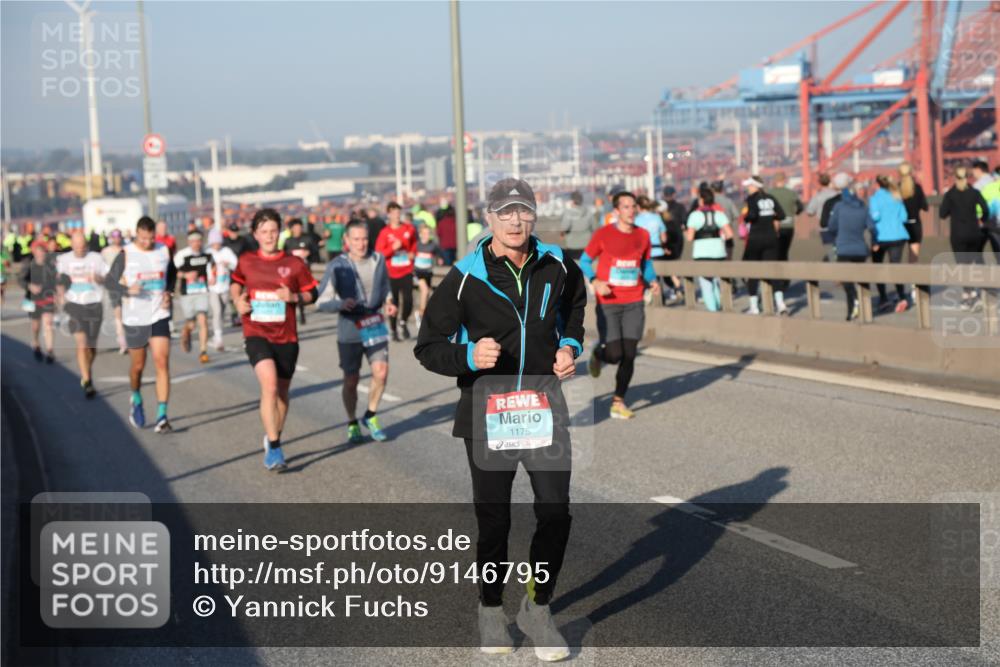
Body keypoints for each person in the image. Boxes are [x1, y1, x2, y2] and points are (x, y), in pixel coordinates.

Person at [413, 177, 586, 661]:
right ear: (488, 219)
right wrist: (468, 355)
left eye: (523, 211)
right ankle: (491, 610)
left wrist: (570, 345)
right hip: (487, 415)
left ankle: (538, 607)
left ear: (534, 216)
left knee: (555, 510)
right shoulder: (465, 277)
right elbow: (427, 347)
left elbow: (575, 307)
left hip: (542, 404)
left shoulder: (557, 264)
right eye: (505, 212)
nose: (515, 221)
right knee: (495, 521)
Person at [230, 208, 319, 471]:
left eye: (273, 231)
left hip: (286, 336)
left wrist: (293, 298)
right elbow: (236, 282)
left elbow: (312, 293)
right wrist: (237, 300)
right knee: (268, 386)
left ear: (279, 233)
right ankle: (276, 445)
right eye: (264, 232)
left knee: (281, 393)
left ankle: (272, 436)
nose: (269, 237)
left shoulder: (294, 264)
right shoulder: (246, 260)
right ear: (255, 234)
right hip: (256, 332)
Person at [582, 190, 660, 419]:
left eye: (633, 206)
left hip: (634, 300)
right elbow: (586, 261)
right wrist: (595, 280)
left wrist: (652, 280)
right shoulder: (603, 234)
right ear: (616, 211)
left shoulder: (643, 235)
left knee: (630, 354)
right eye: (626, 206)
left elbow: (646, 263)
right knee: (615, 354)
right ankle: (599, 353)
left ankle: (618, 401)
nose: (631, 210)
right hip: (609, 302)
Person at [316, 220, 396, 444]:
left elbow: (385, 286)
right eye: (356, 239)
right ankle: (352, 421)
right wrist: (340, 303)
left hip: (374, 322)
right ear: (346, 241)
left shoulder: (378, 259)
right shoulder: (337, 266)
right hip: (349, 327)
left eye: (364, 239)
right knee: (351, 379)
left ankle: (370, 415)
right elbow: (321, 301)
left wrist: (389, 301)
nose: (361, 244)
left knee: (381, 372)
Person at [105, 216, 177, 433]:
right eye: (143, 239)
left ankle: (162, 415)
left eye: (151, 238)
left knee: (161, 361)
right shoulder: (126, 253)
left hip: (159, 314)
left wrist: (169, 292)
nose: (148, 243)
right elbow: (110, 283)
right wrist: (128, 291)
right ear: (137, 234)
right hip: (135, 317)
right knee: (138, 366)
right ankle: (136, 397)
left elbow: (172, 274)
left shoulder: (163, 250)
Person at [56, 230, 107, 397]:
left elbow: (107, 278)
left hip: (94, 303)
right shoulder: (64, 260)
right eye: (77, 247)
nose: (80, 250)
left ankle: (87, 369)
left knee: (92, 347)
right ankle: (86, 380)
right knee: (82, 344)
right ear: (72, 245)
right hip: (74, 304)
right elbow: (59, 281)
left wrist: (97, 278)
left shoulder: (96, 258)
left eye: (83, 247)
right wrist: (61, 294)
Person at [939, 167, 991, 310]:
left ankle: (968, 294)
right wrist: (982, 219)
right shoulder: (975, 192)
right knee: (973, 262)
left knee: (962, 265)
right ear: (968, 177)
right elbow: (985, 209)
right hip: (974, 233)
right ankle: (977, 292)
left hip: (958, 234)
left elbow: (942, 214)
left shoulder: (950, 194)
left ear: (955, 177)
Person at [827, 176, 875, 321]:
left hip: (844, 249)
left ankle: (852, 307)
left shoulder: (839, 207)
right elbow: (871, 227)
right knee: (862, 279)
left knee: (847, 282)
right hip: (860, 249)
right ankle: (866, 310)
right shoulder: (863, 208)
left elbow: (831, 227)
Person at [741, 176, 786, 315]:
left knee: (752, 271)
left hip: (756, 239)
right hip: (772, 238)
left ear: (755, 186)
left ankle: (754, 307)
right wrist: (770, 217)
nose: (748, 188)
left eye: (749, 186)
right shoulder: (771, 198)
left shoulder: (752, 199)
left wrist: (747, 218)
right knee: (773, 270)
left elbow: (753, 215)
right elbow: (782, 215)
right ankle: (780, 304)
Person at [684, 185, 733, 312]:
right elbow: (729, 234)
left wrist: (686, 232)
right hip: (718, 252)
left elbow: (689, 237)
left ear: (701, 200)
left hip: (701, 253)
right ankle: (718, 305)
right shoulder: (719, 214)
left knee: (706, 284)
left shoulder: (695, 215)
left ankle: (713, 311)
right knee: (716, 280)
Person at [374, 202, 417, 341]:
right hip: (391, 273)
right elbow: (379, 254)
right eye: (393, 213)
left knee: (409, 300)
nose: (396, 215)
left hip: (406, 270)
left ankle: (403, 321)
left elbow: (414, 245)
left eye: (398, 212)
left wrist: (412, 253)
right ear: (388, 215)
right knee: (394, 303)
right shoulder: (384, 233)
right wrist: (392, 248)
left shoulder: (409, 228)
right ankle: (393, 330)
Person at [868, 175, 911, 313]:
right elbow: (904, 217)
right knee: (895, 267)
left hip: (881, 237)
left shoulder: (874, 199)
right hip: (898, 235)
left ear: (877, 185)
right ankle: (902, 296)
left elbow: (875, 217)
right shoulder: (896, 197)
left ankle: (883, 298)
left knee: (878, 268)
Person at [174, 231, 215, 363]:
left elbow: (213, 267)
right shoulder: (182, 255)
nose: (196, 244)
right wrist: (186, 275)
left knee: (203, 320)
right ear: (189, 242)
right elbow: (174, 272)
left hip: (202, 291)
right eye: (193, 241)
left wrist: (212, 277)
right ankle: (186, 331)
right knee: (191, 324)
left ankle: (203, 351)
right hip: (187, 293)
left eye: (198, 241)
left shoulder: (208, 254)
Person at [19, 238, 58, 363]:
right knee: (36, 326)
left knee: (48, 324)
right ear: (34, 251)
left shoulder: (50, 264)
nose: (41, 253)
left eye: (43, 250)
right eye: (38, 250)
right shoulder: (28, 263)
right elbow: (21, 280)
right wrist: (30, 286)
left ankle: (50, 351)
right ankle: (36, 343)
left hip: (47, 297)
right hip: (32, 299)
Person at [768, 172, 803, 309]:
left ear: (774, 181)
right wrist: (794, 213)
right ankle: (785, 279)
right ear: (785, 180)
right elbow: (800, 207)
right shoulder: (791, 193)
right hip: (789, 226)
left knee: (775, 254)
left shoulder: (770, 193)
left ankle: (777, 279)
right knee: (784, 252)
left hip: (774, 227)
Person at [207, 228, 239, 352]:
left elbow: (236, 264)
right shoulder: (208, 252)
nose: (216, 245)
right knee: (217, 311)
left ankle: (217, 334)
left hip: (225, 286)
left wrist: (228, 264)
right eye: (214, 242)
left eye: (218, 242)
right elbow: (204, 269)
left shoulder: (226, 251)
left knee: (222, 312)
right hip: (213, 288)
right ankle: (219, 338)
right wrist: (207, 279)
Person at [101, 230, 128, 354]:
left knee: (128, 312)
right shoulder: (105, 252)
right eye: (114, 236)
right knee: (118, 313)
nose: (117, 238)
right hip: (113, 285)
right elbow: (102, 268)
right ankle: (122, 340)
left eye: (118, 236)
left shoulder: (126, 250)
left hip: (126, 284)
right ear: (111, 238)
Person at [282, 218, 313, 326]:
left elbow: (315, 250)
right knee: (292, 291)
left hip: (304, 270)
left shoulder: (307, 239)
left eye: (299, 227)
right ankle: (292, 314)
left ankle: (302, 313)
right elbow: (284, 255)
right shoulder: (288, 241)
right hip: (291, 272)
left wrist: (308, 252)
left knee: (302, 292)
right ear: (291, 229)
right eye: (295, 227)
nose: (298, 229)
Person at [413, 223, 443, 328]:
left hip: (428, 272)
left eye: (428, 233)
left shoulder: (433, 245)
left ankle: (421, 313)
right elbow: (411, 255)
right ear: (420, 234)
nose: (426, 235)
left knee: (428, 293)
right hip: (417, 272)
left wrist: (439, 259)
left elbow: (439, 253)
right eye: (424, 233)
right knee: (425, 290)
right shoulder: (416, 245)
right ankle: (421, 315)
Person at [558, 191, 595, 261]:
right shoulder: (588, 212)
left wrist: (561, 234)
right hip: (586, 245)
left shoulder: (568, 213)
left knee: (574, 268)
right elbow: (595, 227)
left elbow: (564, 227)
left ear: (572, 201)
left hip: (572, 245)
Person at [710, 180, 740, 261]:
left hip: (713, 236)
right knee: (727, 261)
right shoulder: (728, 201)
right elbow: (736, 216)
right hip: (727, 235)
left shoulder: (709, 202)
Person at [436, 201, 457, 265]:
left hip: (445, 246)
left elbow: (438, 233)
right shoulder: (456, 222)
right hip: (455, 245)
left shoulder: (442, 222)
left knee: (448, 264)